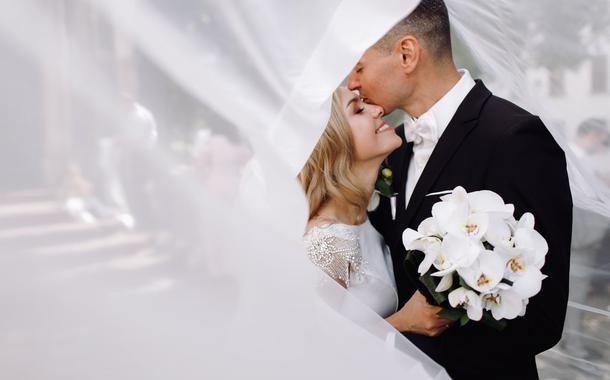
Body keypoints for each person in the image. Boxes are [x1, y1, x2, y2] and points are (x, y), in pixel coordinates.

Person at [348, 0, 573, 379]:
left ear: (407, 54)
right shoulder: (389, 149)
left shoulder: (513, 138)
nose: (353, 83)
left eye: (359, 67)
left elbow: (543, 318)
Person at [299, 86, 451, 334]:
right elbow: (313, 351)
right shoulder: (326, 243)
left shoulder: (363, 220)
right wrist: (403, 322)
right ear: (334, 144)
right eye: (359, 110)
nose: (378, 109)